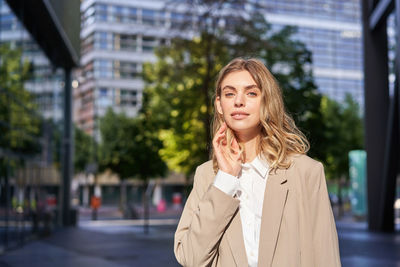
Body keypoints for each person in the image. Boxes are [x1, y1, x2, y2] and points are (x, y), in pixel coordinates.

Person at [174, 58, 341, 267]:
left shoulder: (306, 172)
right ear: (219, 104)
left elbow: (325, 258)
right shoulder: (207, 175)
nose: (239, 101)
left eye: (251, 93)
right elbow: (190, 258)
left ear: (267, 101)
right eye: (229, 93)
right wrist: (225, 180)